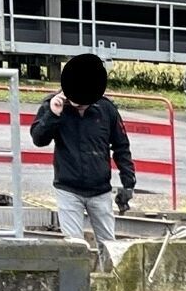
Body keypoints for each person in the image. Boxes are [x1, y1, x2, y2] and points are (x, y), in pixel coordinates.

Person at [29, 53, 135, 245]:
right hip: (68, 189)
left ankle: (108, 274)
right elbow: (38, 139)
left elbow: (121, 147)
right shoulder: (52, 105)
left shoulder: (106, 109)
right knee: (74, 246)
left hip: (100, 190)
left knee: (109, 245)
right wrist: (53, 115)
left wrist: (128, 183)